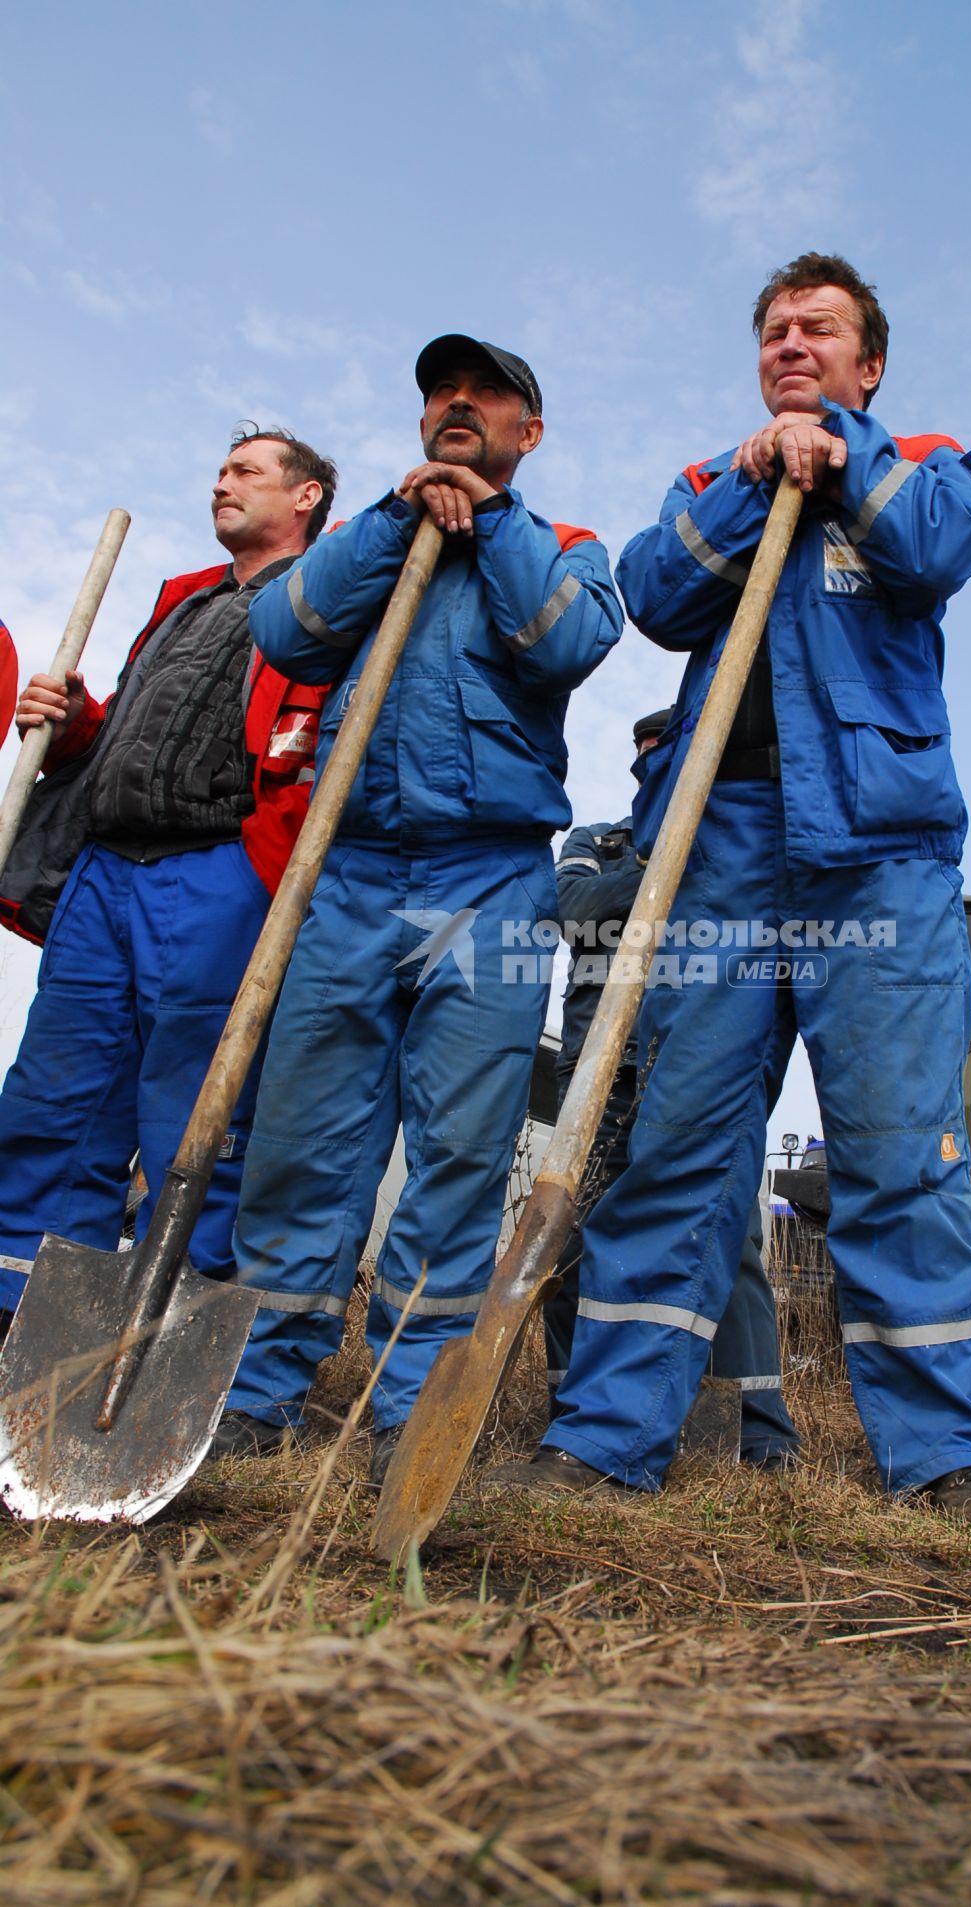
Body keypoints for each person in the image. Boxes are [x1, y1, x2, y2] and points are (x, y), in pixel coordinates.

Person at [494, 250, 971, 1530]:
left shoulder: (924, 461)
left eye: (819, 329)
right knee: (679, 1150)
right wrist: (748, 481)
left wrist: (838, 450)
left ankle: (946, 1459)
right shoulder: (713, 479)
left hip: (878, 857)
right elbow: (658, 594)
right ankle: (606, 1437)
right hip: (721, 855)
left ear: (870, 361)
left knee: (900, 1155)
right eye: (775, 330)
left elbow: (941, 548)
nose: (791, 343)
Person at [212, 334, 623, 1483]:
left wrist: (486, 520)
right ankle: (259, 1389)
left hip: (487, 878)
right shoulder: (372, 542)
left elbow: (568, 638)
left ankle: (409, 1404)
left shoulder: (564, 546)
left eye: (484, 394)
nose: (456, 403)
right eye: (442, 390)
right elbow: (285, 629)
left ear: (524, 434)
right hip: (347, 875)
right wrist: (400, 522)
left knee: (457, 1147)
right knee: (302, 1142)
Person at [0, 429, 337, 1318]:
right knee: (54, 1095)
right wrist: (73, 721)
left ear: (305, 497)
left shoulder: (324, 598)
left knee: (200, 1115)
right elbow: (133, 739)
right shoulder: (183, 601)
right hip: (104, 873)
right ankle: (22, 1310)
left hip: (217, 869)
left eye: (246, 472)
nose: (222, 484)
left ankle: (167, 1319)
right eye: (222, 471)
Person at [548, 706, 801, 1469]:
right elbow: (575, 911)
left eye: (671, 746)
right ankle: (576, 1404)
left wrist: (696, 865)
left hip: (690, 1050)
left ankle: (757, 1427)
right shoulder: (598, 841)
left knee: (727, 1230)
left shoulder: (731, 843)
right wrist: (665, 857)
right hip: (598, 1060)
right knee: (578, 1230)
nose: (655, 757)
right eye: (646, 749)